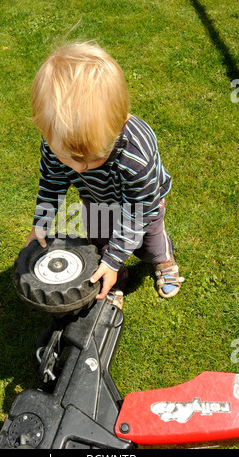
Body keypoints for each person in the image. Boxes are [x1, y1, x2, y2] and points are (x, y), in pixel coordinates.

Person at [25, 41, 184, 308]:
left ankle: (163, 260)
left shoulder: (136, 155)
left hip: (142, 205)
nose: (78, 168)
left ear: (120, 125)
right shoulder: (56, 140)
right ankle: (112, 274)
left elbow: (136, 214)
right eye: (67, 157)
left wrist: (115, 257)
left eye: (91, 158)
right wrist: (40, 223)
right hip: (96, 199)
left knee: (148, 241)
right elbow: (52, 183)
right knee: (99, 239)